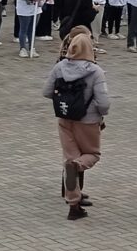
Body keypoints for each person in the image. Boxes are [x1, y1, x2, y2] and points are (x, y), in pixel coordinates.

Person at [44, 32, 110, 220]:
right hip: (88, 121)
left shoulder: (59, 67)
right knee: (92, 154)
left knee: (69, 158)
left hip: (65, 119)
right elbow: (104, 103)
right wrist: (99, 113)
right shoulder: (95, 71)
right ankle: (78, 166)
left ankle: (74, 205)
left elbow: (47, 91)